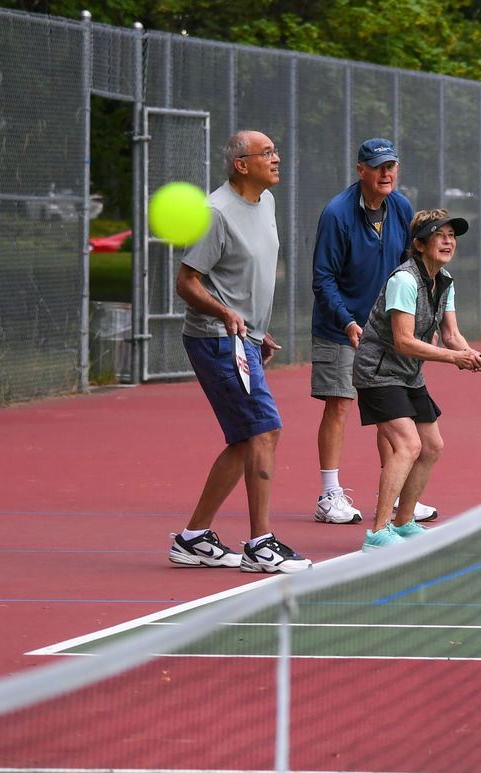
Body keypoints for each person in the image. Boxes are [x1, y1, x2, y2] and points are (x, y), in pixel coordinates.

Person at [167, 130, 311, 574]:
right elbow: (187, 282)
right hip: (214, 339)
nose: (277, 157)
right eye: (266, 153)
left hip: (241, 338)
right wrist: (227, 315)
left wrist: (254, 329)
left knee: (246, 438)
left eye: (275, 150)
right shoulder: (215, 213)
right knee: (265, 430)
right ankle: (260, 545)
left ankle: (193, 539)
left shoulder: (264, 202)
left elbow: (242, 277)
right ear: (241, 165)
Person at [309, 138, 438, 526]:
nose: (386, 174)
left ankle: (396, 497)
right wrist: (349, 322)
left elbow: (410, 263)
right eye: (378, 167)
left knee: (390, 407)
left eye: (391, 166)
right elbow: (323, 278)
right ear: (360, 170)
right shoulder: (337, 214)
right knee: (340, 403)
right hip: (340, 327)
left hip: (385, 330)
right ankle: (329, 495)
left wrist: (410, 319)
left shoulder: (400, 207)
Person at [352, 209, 481, 551]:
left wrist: (469, 353)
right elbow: (403, 341)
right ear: (419, 244)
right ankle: (377, 533)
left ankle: (404, 522)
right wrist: (453, 358)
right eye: (439, 234)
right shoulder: (404, 281)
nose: (447, 241)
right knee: (408, 445)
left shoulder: (445, 282)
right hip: (378, 372)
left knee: (432, 446)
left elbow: (451, 334)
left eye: (451, 236)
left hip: (409, 374)